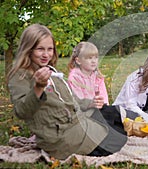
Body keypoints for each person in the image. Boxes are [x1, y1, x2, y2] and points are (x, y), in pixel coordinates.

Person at [7, 23, 127, 160]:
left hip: (76, 120)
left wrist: (90, 103)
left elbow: (70, 98)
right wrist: (38, 87)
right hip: (60, 134)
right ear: (28, 49)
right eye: (40, 49)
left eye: (50, 49)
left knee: (112, 112)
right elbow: (22, 111)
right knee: (117, 140)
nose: (46, 54)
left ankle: (98, 130)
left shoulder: (51, 70)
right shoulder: (20, 76)